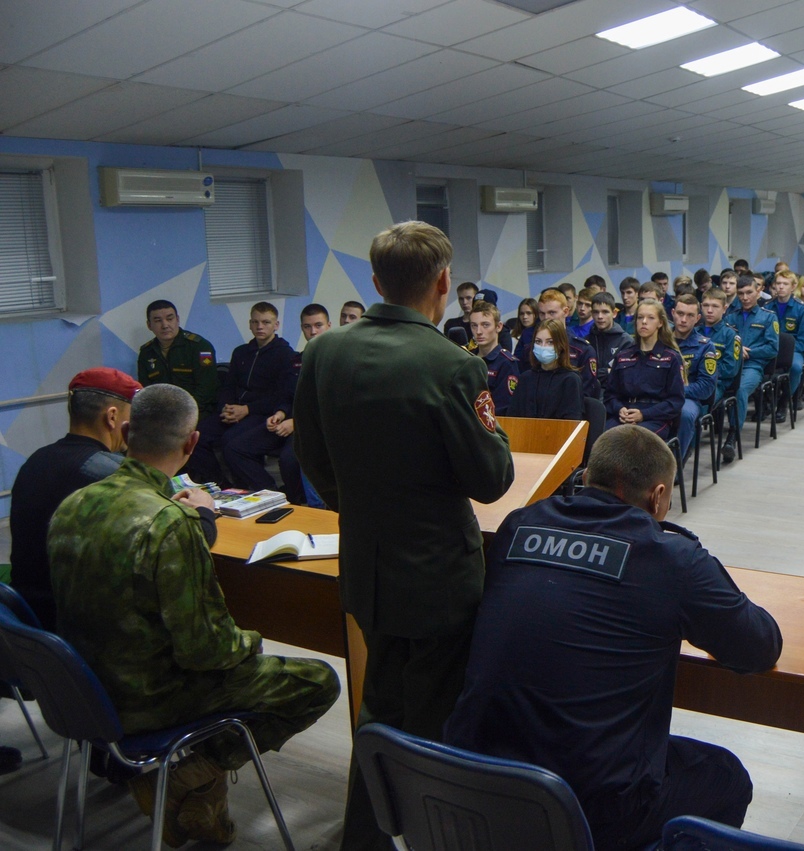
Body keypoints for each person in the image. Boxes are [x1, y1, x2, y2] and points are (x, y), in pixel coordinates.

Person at [443, 425, 782, 851]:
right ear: (658, 497)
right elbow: (759, 646)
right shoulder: (672, 559)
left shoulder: (519, 526)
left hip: (471, 777)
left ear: (586, 477)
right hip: (582, 807)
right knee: (725, 777)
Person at [292, 221, 516, 851]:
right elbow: (492, 479)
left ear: (375, 280)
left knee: (384, 705)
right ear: (444, 282)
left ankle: (365, 834)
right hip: (439, 578)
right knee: (436, 723)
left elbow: (312, 458)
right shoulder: (451, 365)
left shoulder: (324, 352)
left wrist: (360, 507)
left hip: (366, 567)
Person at [48, 384, 339, 847]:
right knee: (317, 680)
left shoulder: (72, 505)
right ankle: (189, 776)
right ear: (191, 444)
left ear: (125, 432)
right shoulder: (170, 525)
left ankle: (201, 792)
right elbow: (207, 651)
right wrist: (252, 640)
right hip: (152, 698)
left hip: (83, 692)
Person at [9, 368, 143, 630]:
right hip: (74, 621)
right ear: (113, 417)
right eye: (132, 416)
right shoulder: (111, 473)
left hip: (25, 610)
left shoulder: (37, 459)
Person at [186, 302, 295, 488]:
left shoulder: (286, 355)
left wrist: (247, 409)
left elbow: (281, 396)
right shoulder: (241, 352)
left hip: (261, 413)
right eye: (255, 322)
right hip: (234, 410)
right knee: (193, 436)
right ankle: (221, 484)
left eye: (266, 322)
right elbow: (228, 386)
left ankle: (267, 489)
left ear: (276, 325)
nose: (260, 327)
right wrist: (225, 409)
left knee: (232, 444)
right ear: (250, 324)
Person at [275, 304, 331, 507]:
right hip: (305, 426)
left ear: (329, 326)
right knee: (290, 458)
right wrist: (281, 412)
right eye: (307, 326)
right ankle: (300, 506)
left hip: (329, 427)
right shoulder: (297, 360)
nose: (313, 331)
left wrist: (296, 423)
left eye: (318, 325)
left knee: (309, 450)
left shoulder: (338, 357)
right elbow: (289, 394)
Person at [604, 299, 685, 438]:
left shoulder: (671, 358)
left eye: (650, 318)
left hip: (655, 417)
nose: (644, 321)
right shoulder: (623, 356)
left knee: (634, 440)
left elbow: (675, 401)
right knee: (604, 441)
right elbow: (610, 395)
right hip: (624, 413)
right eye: (640, 317)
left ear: (660, 323)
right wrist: (619, 409)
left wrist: (643, 415)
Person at [722, 276, 778, 464]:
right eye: (741, 294)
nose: (745, 297)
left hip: (753, 367)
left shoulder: (768, 316)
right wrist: (735, 350)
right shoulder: (730, 316)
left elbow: (772, 348)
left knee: (740, 390)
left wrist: (749, 351)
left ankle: (732, 436)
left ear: (758, 292)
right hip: (730, 365)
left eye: (749, 293)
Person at [137, 300, 218, 418]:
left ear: (177, 319)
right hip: (162, 415)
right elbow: (146, 391)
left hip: (197, 412)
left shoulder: (199, 346)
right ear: (149, 325)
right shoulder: (146, 353)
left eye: (170, 319)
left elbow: (207, 389)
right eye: (158, 321)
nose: (165, 325)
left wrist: (183, 412)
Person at [671, 294, 718, 460]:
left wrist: (677, 391)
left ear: (698, 318)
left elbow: (706, 387)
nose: (684, 319)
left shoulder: (705, 346)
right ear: (672, 313)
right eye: (680, 313)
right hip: (658, 394)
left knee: (684, 414)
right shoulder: (660, 341)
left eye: (690, 315)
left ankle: (675, 466)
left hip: (688, 398)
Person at [509, 320, 585, 420]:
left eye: (550, 342)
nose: (543, 347)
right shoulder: (526, 378)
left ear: (561, 345)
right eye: (538, 342)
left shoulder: (570, 380)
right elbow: (512, 417)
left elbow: (571, 422)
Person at [539, 288, 602, 401]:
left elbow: (586, 395)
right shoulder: (532, 349)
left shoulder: (583, 350)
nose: (546, 318)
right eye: (542, 314)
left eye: (552, 313)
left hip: (570, 410)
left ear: (566, 312)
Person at [767, 271, 804, 414]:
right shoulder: (767, 306)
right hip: (770, 348)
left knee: (796, 368)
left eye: (785, 284)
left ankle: (784, 401)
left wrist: (787, 350)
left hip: (794, 350)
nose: (781, 287)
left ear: (793, 287)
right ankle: (766, 402)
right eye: (778, 283)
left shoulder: (801, 308)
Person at [470, 300, 520, 415]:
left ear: (498, 327)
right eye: (474, 325)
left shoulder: (507, 363)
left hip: (491, 424)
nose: (478, 331)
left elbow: (503, 408)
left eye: (485, 325)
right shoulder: (467, 358)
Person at [696, 287, 742, 407]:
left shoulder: (730, 335)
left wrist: (702, 372)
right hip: (692, 381)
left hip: (717, 384)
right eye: (706, 305)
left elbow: (730, 369)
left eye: (715, 306)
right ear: (701, 307)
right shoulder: (694, 332)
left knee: (698, 405)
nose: (709, 310)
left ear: (724, 308)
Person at [587, 292, 631, 382]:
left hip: (616, 394)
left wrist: (597, 373)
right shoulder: (586, 341)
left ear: (614, 313)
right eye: (596, 312)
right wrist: (607, 372)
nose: (600, 316)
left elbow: (626, 374)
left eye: (605, 312)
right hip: (589, 394)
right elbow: (583, 374)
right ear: (591, 314)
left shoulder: (626, 341)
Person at [511, 296, 539, 368]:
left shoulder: (541, 334)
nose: (525, 317)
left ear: (536, 314)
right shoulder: (511, 336)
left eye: (529, 313)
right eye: (522, 313)